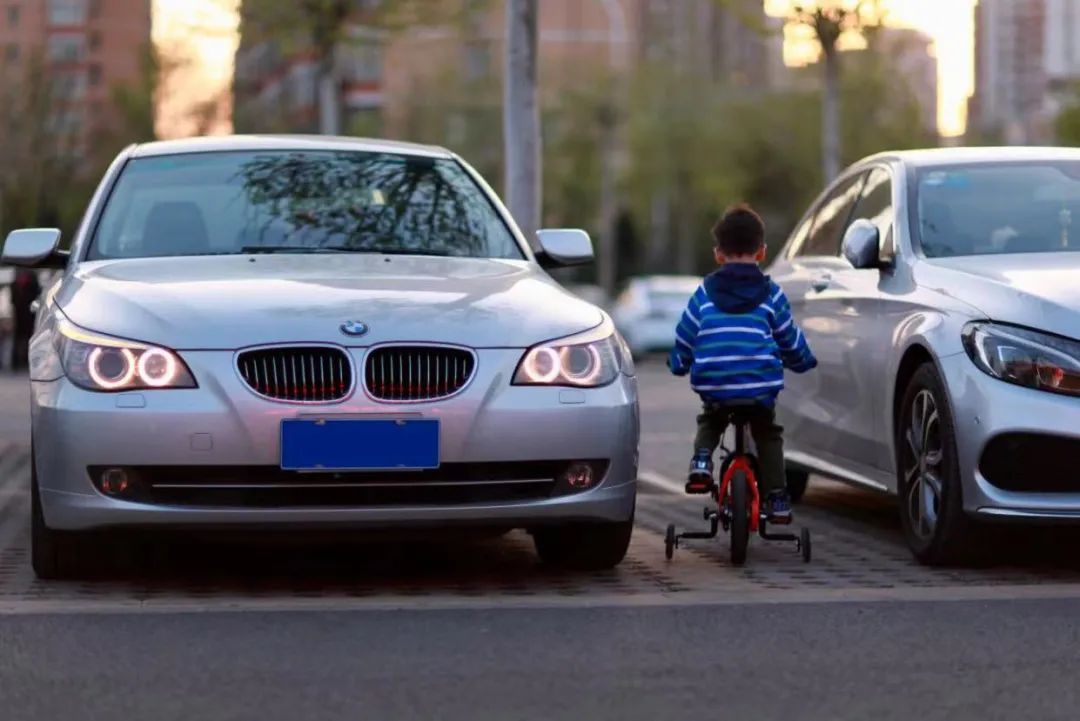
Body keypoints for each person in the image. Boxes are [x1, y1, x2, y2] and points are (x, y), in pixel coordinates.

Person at [668, 204, 817, 522]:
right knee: (767, 433)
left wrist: (679, 362)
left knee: (711, 420)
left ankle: (702, 462)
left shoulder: (704, 294)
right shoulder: (771, 294)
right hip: (758, 387)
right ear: (762, 252)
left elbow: (685, 334)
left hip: (715, 383)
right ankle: (777, 497)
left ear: (718, 254)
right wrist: (802, 360)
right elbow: (788, 337)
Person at [10, 268, 41, 371]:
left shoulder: (20, 283)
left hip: (24, 316)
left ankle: (20, 362)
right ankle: (19, 362)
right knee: (23, 339)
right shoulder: (19, 284)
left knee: (23, 339)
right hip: (23, 316)